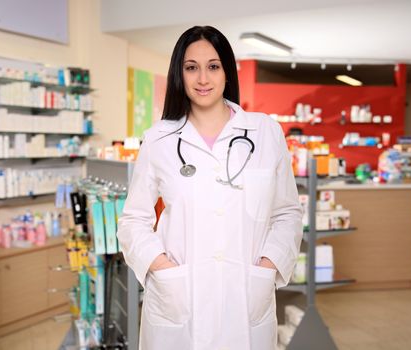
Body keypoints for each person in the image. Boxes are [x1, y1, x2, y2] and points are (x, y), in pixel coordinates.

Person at [116, 25, 302, 350]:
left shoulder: (264, 132)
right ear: (180, 74)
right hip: (179, 301)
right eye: (192, 67)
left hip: (247, 296)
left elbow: (287, 212)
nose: (203, 78)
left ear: (227, 72)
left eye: (213, 66)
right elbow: (133, 220)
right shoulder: (159, 139)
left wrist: (268, 265)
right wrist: (161, 268)